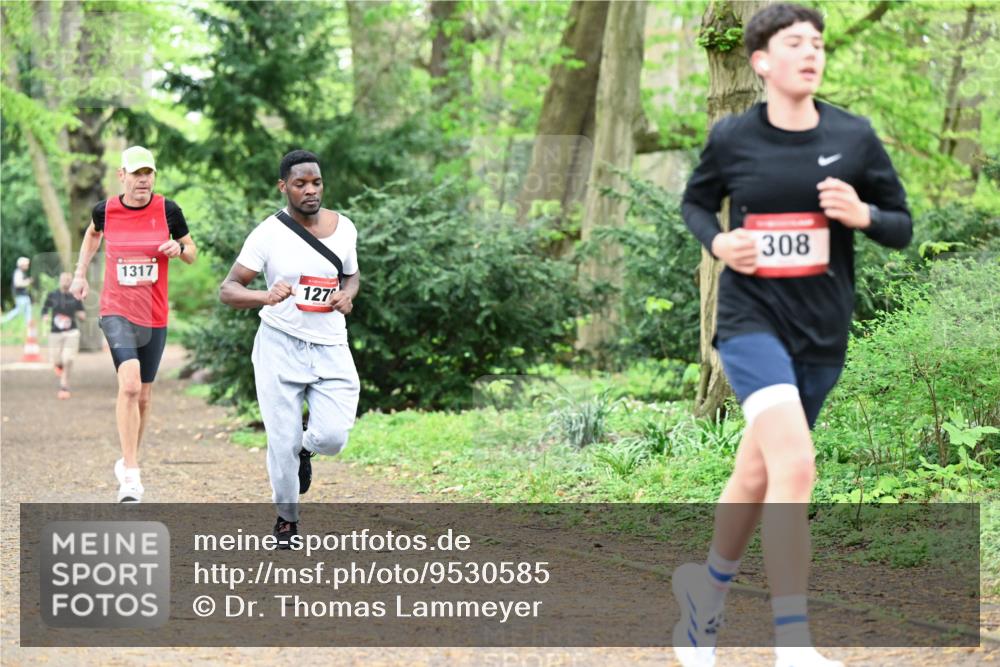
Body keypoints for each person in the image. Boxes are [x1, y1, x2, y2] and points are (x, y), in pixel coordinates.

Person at [674, 4, 912, 667]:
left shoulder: (854, 137)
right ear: (761, 62)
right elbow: (696, 202)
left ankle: (705, 593)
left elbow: (902, 223)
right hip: (751, 323)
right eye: (795, 44)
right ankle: (794, 644)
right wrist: (720, 239)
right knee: (797, 464)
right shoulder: (732, 139)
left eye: (818, 43)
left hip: (822, 332)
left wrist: (863, 213)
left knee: (756, 471)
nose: (811, 53)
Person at [219, 149, 360, 548]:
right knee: (279, 440)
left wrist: (347, 295)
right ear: (284, 187)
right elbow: (228, 289)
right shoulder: (267, 234)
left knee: (333, 436)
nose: (310, 190)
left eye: (316, 182)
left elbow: (351, 274)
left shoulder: (344, 228)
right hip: (279, 345)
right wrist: (264, 296)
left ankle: (306, 447)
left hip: (331, 344)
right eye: (300, 184)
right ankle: (287, 519)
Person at [70, 145, 198, 503]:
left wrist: (178, 248)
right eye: (136, 173)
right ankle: (131, 475)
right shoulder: (106, 210)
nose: (143, 180)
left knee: (143, 394)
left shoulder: (168, 210)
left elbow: (192, 252)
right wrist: (81, 274)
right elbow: (93, 234)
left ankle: (129, 459)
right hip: (117, 310)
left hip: (154, 313)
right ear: (121, 175)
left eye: (149, 174)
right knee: (127, 385)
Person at [41, 272, 87, 399]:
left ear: (72, 282)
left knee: (68, 358)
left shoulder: (75, 296)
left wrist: (81, 315)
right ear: (60, 281)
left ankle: (64, 384)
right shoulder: (52, 295)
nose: (66, 281)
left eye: (68, 279)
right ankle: (59, 366)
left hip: (71, 332)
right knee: (56, 360)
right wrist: (44, 317)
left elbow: (82, 314)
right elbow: (44, 310)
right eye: (64, 279)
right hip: (55, 332)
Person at [2, 257, 33, 327]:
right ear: (22, 265)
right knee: (19, 310)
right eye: (26, 264)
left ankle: (29, 326)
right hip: (20, 295)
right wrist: (28, 282)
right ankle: (3, 321)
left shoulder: (20, 272)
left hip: (23, 295)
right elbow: (18, 284)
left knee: (28, 311)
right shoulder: (18, 272)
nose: (27, 266)